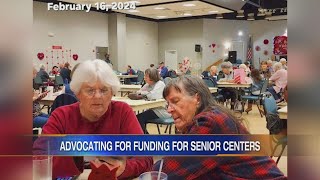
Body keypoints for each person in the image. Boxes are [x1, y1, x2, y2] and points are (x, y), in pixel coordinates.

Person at [34, 60, 152, 179]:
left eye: (104, 90)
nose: (97, 96)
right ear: (78, 93)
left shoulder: (122, 112)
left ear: (112, 93)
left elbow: (145, 158)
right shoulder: (62, 116)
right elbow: (39, 157)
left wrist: (123, 169)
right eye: (90, 90)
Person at [153, 75, 287, 179]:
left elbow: (168, 171)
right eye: (167, 104)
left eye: (175, 101)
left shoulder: (210, 123)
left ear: (197, 99)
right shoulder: (214, 114)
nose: (169, 109)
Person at [136, 68, 171, 133]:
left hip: (162, 110)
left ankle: (146, 138)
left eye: (146, 76)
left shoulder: (160, 84)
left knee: (138, 119)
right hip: (153, 109)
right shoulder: (148, 84)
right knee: (136, 118)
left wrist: (144, 93)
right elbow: (138, 92)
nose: (144, 77)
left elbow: (153, 96)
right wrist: (145, 93)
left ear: (152, 76)